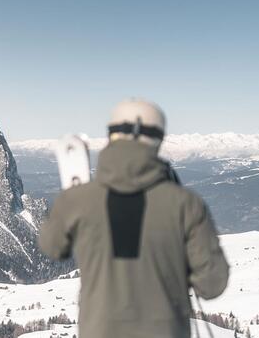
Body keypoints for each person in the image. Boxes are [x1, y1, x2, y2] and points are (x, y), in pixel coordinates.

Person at [38, 99, 229, 338]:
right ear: (158, 140)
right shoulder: (186, 204)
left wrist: (67, 205)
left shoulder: (77, 199)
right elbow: (212, 284)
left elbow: (52, 247)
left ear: (111, 135)